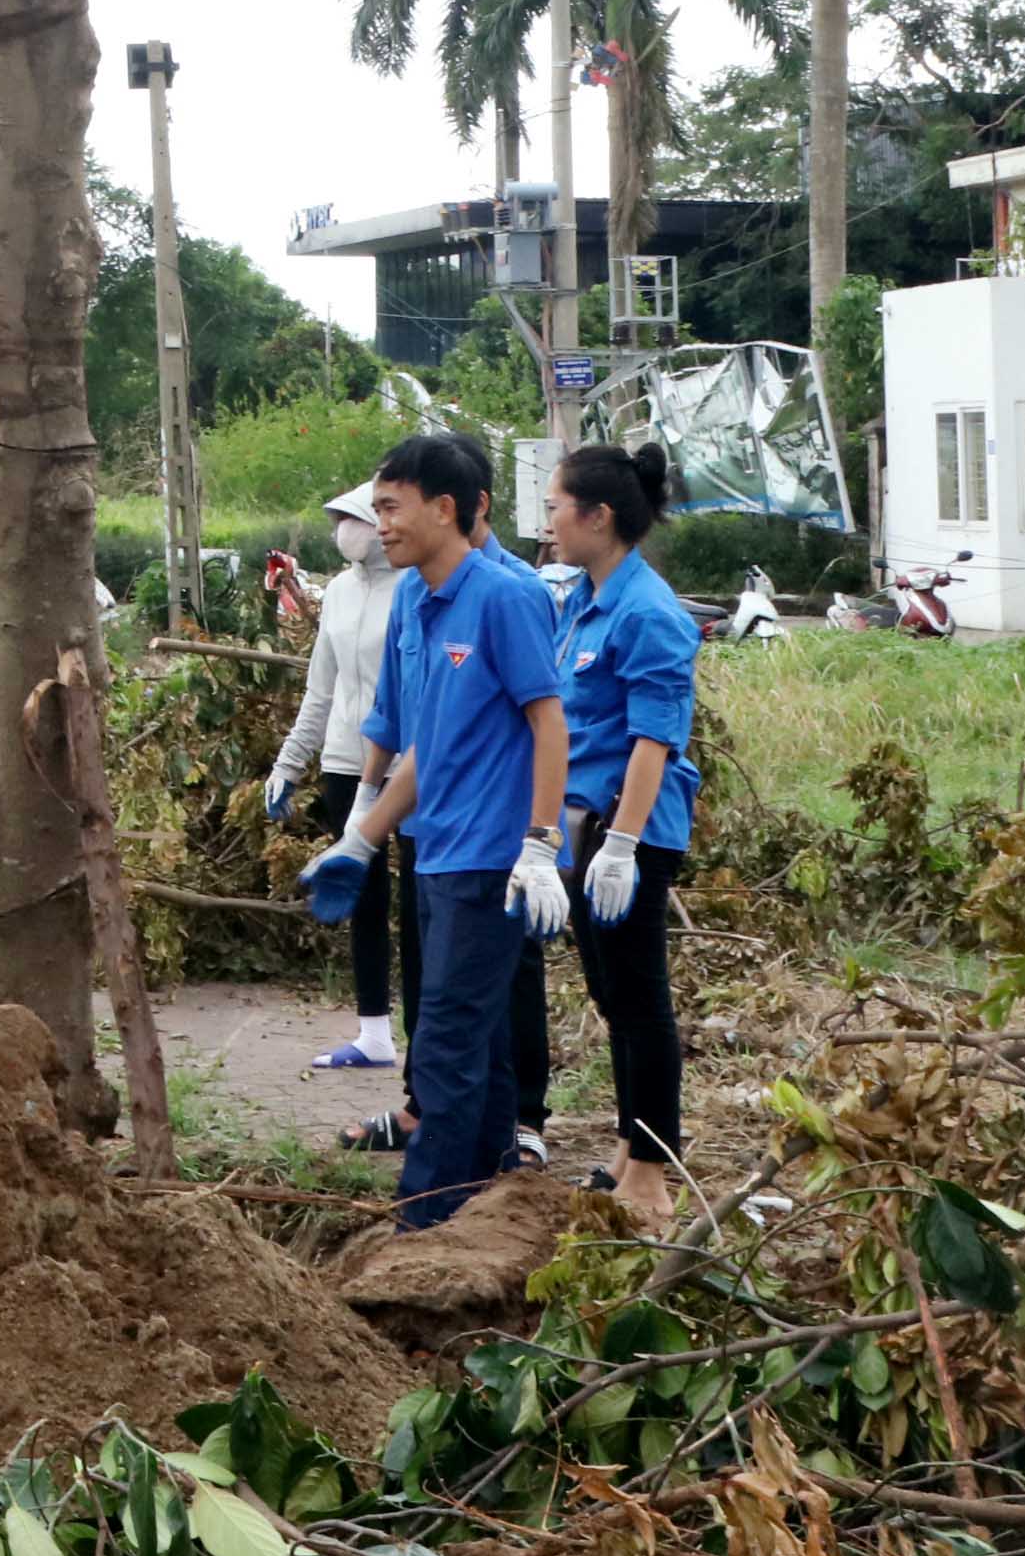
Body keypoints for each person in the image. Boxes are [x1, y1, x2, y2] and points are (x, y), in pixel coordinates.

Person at [302, 431, 569, 1232]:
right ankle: (493, 1195)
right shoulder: (416, 598)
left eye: (391, 507)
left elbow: (550, 725)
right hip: (434, 850)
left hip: (491, 860)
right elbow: (426, 743)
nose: (378, 524)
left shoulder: (507, 597)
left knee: (447, 1041)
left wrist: (541, 843)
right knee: (471, 1041)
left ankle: (424, 1216)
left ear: (445, 509)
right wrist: (363, 835)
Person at [548, 443, 703, 1225]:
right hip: (586, 826)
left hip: (631, 829)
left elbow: (653, 739)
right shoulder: (583, 598)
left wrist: (622, 844)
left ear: (597, 516)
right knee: (611, 995)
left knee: (641, 997)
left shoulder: (649, 613)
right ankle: (627, 1145)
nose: (547, 523)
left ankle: (653, 1167)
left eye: (555, 508)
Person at [254, 492, 407, 1075]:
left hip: (406, 766)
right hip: (348, 761)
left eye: (352, 520)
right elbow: (321, 689)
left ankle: (429, 1033)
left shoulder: (415, 589)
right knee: (362, 894)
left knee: (419, 900)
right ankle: (373, 1033)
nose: (342, 530)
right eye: (337, 521)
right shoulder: (340, 592)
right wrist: (289, 764)